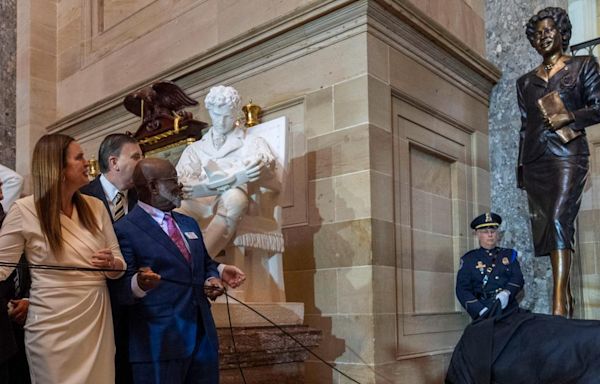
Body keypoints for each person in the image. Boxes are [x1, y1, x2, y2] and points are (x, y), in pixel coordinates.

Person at [0, 134, 125, 383]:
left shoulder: (96, 207)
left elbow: (120, 265)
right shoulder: (24, 210)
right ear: (57, 167)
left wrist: (112, 264)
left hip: (95, 320)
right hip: (51, 327)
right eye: (78, 157)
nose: (86, 162)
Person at [517, 7, 600, 316]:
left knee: (558, 217)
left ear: (562, 33)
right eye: (538, 33)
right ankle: (566, 297)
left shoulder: (583, 65)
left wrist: (570, 116)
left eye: (549, 30)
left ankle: (558, 306)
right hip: (536, 159)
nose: (544, 36)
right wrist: (520, 167)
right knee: (548, 229)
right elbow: (525, 127)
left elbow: (599, 106)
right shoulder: (526, 82)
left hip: (569, 154)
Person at [114, 158, 223, 383]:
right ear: (153, 186)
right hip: (159, 345)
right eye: (173, 180)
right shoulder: (124, 229)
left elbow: (206, 264)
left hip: (203, 341)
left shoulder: (188, 224)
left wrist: (212, 279)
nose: (179, 186)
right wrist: (139, 283)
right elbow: (119, 288)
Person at [176, 85, 278, 257]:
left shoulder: (251, 142)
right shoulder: (195, 149)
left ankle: (200, 264)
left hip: (235, 202)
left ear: (236, 114)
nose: (221, 122)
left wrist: (256, 167)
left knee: (234, 199)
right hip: (200, 201)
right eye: (216, 115)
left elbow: (267, 167)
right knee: (173, 209)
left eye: (228, 117)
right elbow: (181, 180)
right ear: (209, 111)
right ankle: (177, 262)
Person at [456, 213, 524, 320]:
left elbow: (517, 278)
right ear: (477, 234)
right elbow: (462, 289)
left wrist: (507, 292)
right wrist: (479, 310)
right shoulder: (469, 259)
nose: (490, 235)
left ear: (497, 234)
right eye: (485, 232)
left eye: (493, 231)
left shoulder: (508, 254)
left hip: (509, 308)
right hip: (484, 309)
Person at [0, 169, 30, 384]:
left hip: (22, 325)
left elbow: (30, 264)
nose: (3, 195)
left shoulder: (9, 217)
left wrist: (28, 299)